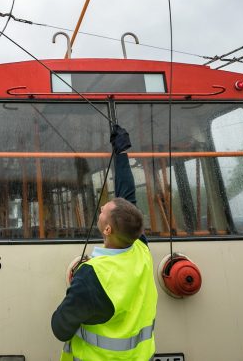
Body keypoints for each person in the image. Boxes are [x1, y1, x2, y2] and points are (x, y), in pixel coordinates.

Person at [51, 124, 158, 360]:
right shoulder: (141, 251)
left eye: (103, 212)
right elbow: (127, 200)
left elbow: (60, 327)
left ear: (107, 229)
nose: (100, 208)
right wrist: (121, 154)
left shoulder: (91, 276)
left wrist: (75, 290)